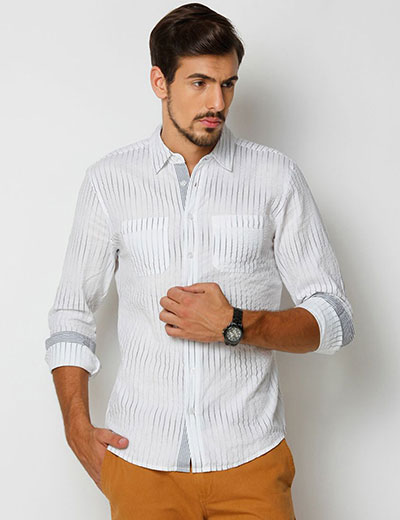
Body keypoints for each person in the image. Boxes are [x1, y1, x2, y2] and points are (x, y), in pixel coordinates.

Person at [44, 3, 355, 519]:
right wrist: (76, 427)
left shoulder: (275, 178)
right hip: (142, 461)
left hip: (250, 462)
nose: (218, 102)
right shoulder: (109, 182)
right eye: (199, 83)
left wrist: (236, 324)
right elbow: (71, 313)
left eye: (228, 84)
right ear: (159, 82)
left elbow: (336, 320)